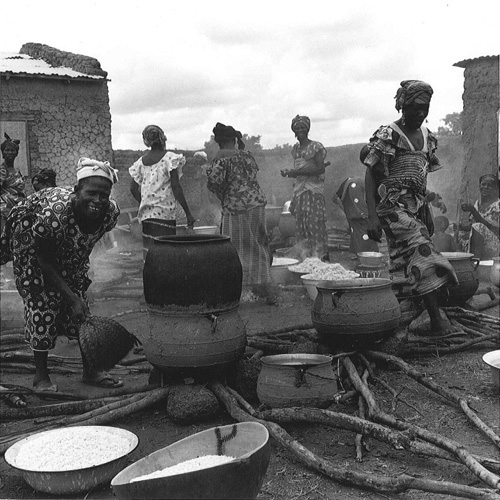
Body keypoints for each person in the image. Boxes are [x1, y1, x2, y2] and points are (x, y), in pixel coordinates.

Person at [0, 158, 121, 391]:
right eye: (92, 193)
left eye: (103, 195)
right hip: (31, 237)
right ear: (77, 191)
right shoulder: (55, 214)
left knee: (79, 302)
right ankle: (41, 377)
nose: (98, 200)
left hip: (62, 243)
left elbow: (87, 241)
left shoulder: (110, 213)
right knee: (41, 301)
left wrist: (76, 281)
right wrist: (70, 296)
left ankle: (91, 371)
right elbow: (43, 261)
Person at [360, 80, 458, 336]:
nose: (421, 113)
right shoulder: (390, 134)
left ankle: (393, 317)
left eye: (425, 108)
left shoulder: (428, 137)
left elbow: (419, 177)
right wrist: (372, 215)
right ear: (403, 105)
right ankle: (436, 320)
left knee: (403, 260)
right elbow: (371, 174)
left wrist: (429, 205)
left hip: (416, 206)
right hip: (392, 207)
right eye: (416, 108)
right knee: (421, 246)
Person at [206, 122, 277, 305]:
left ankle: (240, 288)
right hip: (257, 205)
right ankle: (267, 288)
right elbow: (252, 176)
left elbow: (214, 183)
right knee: (259, 244)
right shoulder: (247, 155)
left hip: (235, 208)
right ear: (233, 140)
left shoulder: (220, 157)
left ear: (218, 141)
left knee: (236, 249)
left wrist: (223, 194)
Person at [129, 125, 195, 260]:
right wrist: (188, 213)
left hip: (147, 215)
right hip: (164, 215)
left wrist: (145, 202)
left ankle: (150, 279)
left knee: (150, 254)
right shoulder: (169, 159)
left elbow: (132, 189)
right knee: (166, 255)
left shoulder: (140, 163)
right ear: (162, 138)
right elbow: (176, 188)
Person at [280, 115, 328, 260]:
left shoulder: (316, 147)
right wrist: (290, 173)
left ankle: (322, 258)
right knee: (302, 226)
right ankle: (306, 260)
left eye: (302, 127)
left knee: (315, 225)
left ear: (307, 129)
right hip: (301, 193)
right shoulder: (295, 149)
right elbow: (300, 171)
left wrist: (296, 173)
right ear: (293, 131)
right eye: (297, 128)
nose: (300, 130)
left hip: (313, 192)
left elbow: (320, 169)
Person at [333, 177, 379, 255]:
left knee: (357, 229)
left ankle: (355, 253)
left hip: (353, 208)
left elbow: (335, 198)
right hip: (359, 212)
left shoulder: (350, 183)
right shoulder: (367, 185)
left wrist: (347, 211)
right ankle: (366, 255)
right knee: (365, 228)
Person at [461, 174, 499, 259]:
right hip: (479, 243)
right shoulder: (477, 204)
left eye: (489, 186)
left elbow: (490, 227)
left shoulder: (497, 206)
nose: (485, 187)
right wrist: (462, 228)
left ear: (495, 189)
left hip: (495, 244)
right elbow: (474, 229)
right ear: (479, 186)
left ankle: (475, 261)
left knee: (478, 226)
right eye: (483, 184)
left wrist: (473, 211)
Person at [0, 133, 25, 232]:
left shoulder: (17, 171)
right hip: (5, 210)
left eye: (12, 150)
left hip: (19, 208)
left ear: (16, 153)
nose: (10, 152)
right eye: (7, 150)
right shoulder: (2, 170)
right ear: (3, 153)